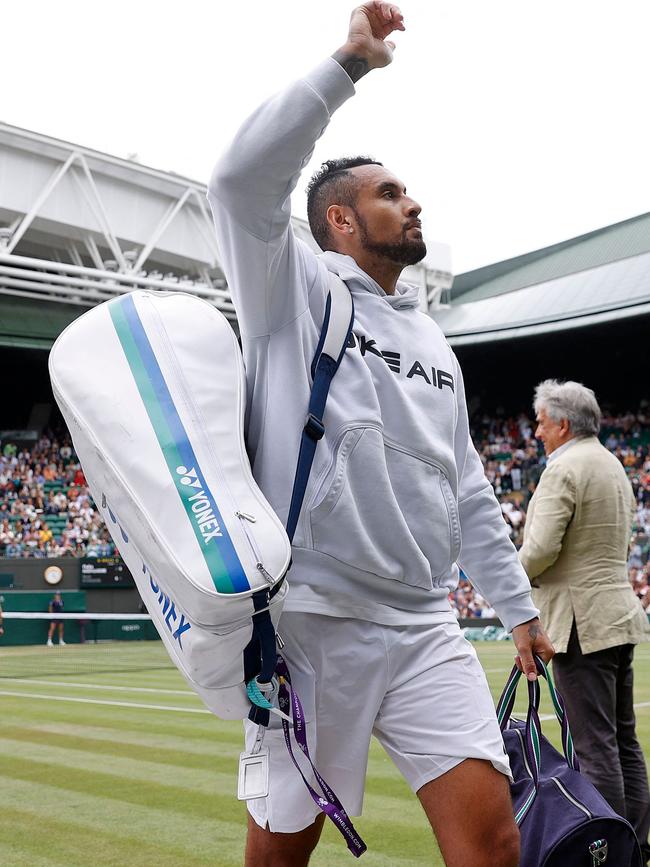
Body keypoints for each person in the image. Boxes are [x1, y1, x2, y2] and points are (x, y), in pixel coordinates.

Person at [208, 5, 554, 866]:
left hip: (425, 621)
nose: (411, 201)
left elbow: (465, 484)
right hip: (313, 617)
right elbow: (239, 185)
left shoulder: (433, 337)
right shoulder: (291, 291)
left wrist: (517, 610)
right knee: (282, 853)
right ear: (340, 221)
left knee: (495, 841)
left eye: (407, 190)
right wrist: (347, 66)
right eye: (389, 194)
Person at [519, 379, 650, 861]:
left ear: (562, 423)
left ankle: (607, 853)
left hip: (581, 624)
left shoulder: (564, 468)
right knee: (623, 741)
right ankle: (634, 844)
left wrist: (505, 577)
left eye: (541, 423)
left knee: (595, 747)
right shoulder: (612, 463)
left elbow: (540, 549)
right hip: (617, 614)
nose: (537, 433)